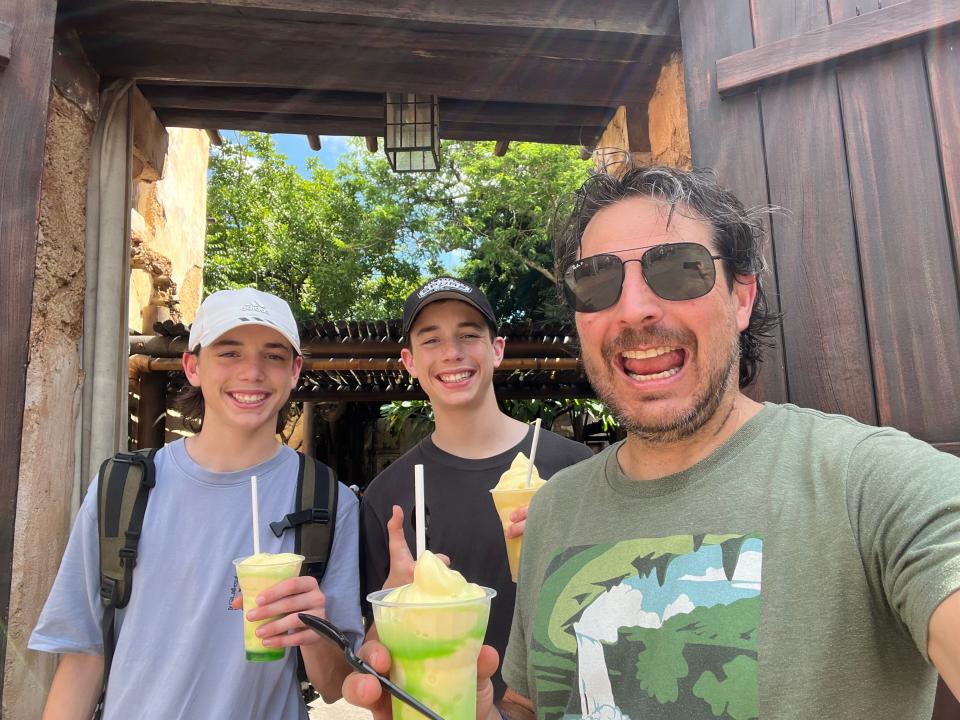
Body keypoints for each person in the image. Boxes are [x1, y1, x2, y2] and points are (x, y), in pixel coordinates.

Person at [343, 166, 960, 720]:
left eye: (679, 269)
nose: (634, 308)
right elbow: (532, 707)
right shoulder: (556, 508)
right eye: (596, 281)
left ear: (741, 297)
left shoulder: (871, 484)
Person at [30, 288, 364, 720]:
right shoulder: (124, 487)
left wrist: (315, 631)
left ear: (295, 370)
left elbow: (335, 686)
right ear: (193, 366)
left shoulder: (328, 500)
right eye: (229, 353)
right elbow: (82, 659)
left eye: (274, 356)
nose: (253, 372)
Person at [359, 277, 593, 700]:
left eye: (469, 335)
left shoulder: (576, 470)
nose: (452, 352)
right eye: (432, 341)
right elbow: (376, 647)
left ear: (496, 350)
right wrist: (394, 604)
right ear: (409, 361)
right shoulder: (386, 497)